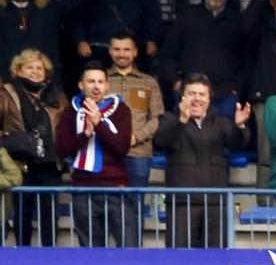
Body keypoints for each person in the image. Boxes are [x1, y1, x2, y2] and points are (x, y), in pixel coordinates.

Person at [154, 73, 252, 247]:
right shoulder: (169, 119)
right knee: (180, 258)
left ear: (209, 98)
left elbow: (237, 143)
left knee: (215, 259)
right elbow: (163, 141)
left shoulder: (220, 122)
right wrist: (182, 120)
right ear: (182, 96)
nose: (197, 99)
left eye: (202, 94)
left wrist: (239, 126)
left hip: (214, 201)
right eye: (192, 93)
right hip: (182, 202)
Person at [55, 61, 135, 247]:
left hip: (116, 189)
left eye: (100, 81)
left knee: (129, 247)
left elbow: (123, 147)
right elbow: (62, 149)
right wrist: (85, 134)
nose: (96, 86)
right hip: (83, 189)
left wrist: (99, 125)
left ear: (107, 85)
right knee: (90, 251)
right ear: (81, 85)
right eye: (91, 81)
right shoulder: (70, 112)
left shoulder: (121, 110)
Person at [158, 0, 253, 115]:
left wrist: (236, 89)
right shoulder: (186, 17)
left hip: (225, 96)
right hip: (189, 94)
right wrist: (176, 82)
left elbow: (248, 60)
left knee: (226, 137)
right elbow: (168, 53)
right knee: (187, 136)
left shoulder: (238, 21)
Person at [6, 50, 62, 245]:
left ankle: (50, 259)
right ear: (18, 71)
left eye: (39, 68)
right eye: (29, 67)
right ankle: (23, 258)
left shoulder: (57, 98)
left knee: (50, 216)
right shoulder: (6, 94)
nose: (35, 71)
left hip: (50, 166)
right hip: (20, 164)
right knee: (23, 215)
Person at [102, 31, 162, 207]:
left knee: (135, 208)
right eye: (117, 49)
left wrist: (136, 137)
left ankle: (134, 237)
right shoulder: (101, 80)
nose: (122, 54)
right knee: (107, 208)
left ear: (135, 52)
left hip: (139, 154)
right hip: (106, 154)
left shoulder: (148, 82)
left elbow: (158, 117)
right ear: (110, 51)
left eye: (127, 49)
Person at [2, 0, 61, 75]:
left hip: (38, 72)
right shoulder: (2, 9)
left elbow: (51, 46)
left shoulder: (44, 8)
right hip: (5, 72)